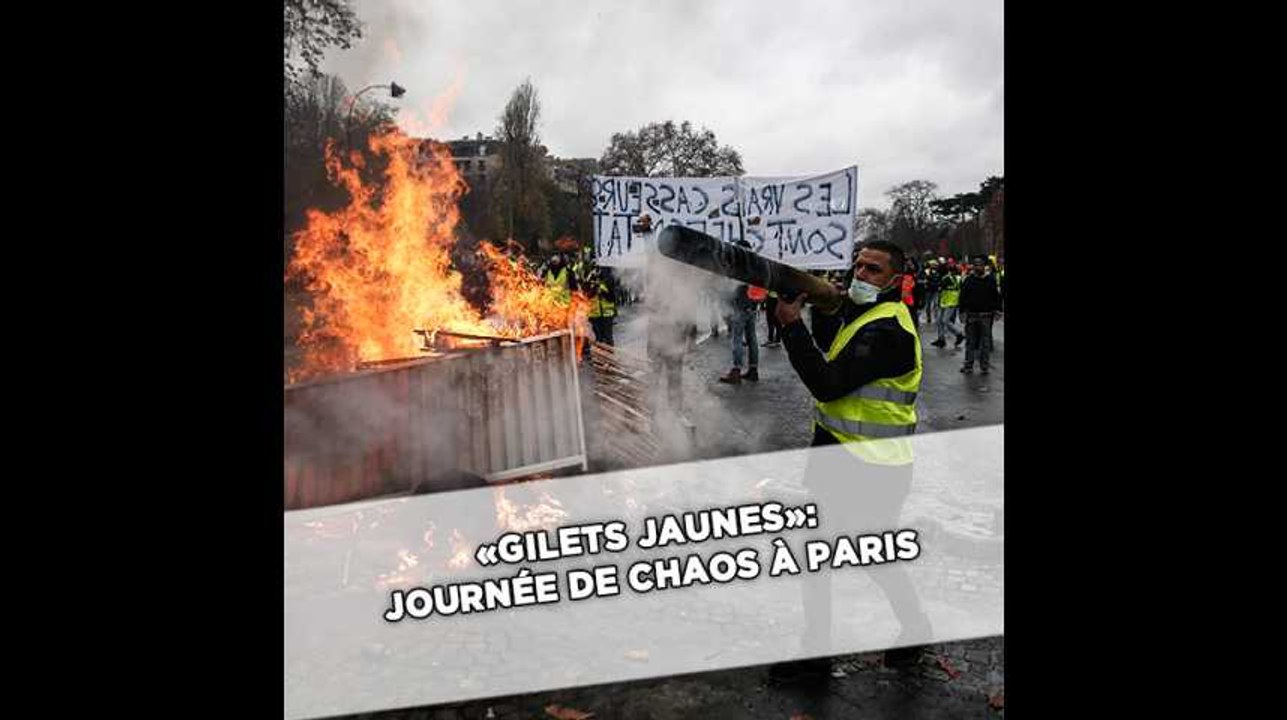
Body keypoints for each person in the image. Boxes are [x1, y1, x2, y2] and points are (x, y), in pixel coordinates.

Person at [772, 240, 931, 677]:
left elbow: (828, 383)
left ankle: (818, 656)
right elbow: (834, 341)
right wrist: (820, 311)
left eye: (873, 270)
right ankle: (900, 632)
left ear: (895, 279)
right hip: (843, 456)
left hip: (870, 466)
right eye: (858, 265)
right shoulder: (868, 315)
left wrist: (790, 328)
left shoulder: (888, 330)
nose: (860, 275)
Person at [719, 243, 764, 384]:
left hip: (740, 306)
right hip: (752, 307)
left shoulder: (740, 266)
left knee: (737, 339)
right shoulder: (755, 265)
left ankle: (736, 371)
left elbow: (732, 288)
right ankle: (753, 370)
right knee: (752, 339)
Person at [958, 255, 1003, 374]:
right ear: (973, 267)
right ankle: (968, 365)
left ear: (984, 266)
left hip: (986, 316)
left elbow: (996, 296)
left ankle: (984, 366)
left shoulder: (990, 280)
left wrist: (998, 309)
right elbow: (963, 297)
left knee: (985, 343)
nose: (978, 267)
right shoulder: (969, 280)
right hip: (971, 315)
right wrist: (962, 311)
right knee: (970, 342)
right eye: (976, 265)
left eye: (980, 265)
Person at [931, 260, 965, 348]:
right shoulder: (956, 278)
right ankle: (941, 339)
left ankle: (959, 334)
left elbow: (938, 287)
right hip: (945, 301)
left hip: (950, 302)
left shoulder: (947, 278)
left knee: (945, 321)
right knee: (939, 321)